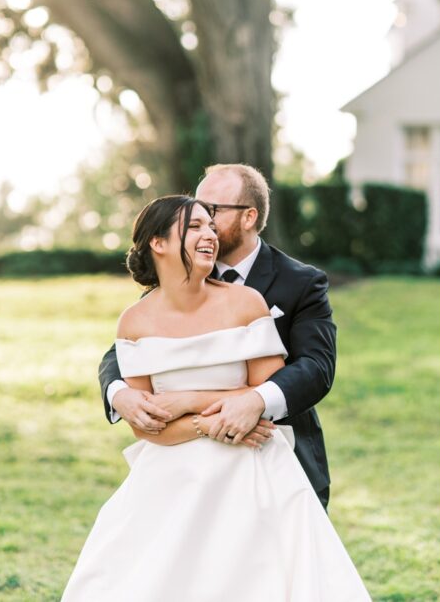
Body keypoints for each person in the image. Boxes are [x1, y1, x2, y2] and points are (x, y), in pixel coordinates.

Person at [64, 196, 369, 600]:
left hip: (250, 462)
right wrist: (201, 422)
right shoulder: (135, 319)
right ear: (158, 243)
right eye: (195, 226)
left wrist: (189, 397)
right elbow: (147, 425)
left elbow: (263, 395)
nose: (209, 233)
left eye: (211, 224)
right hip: (169, 470)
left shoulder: (246, 303)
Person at [99, 164, 335, 509]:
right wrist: (118, 393)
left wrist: (252, 402)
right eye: (196, 215)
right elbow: (125, 352)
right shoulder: (171, 283)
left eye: (212, 213)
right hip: (179, 465)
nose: (204, 223)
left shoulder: (300, 283)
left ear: (249, 217)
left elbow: (317, 366)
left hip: (269, 448)